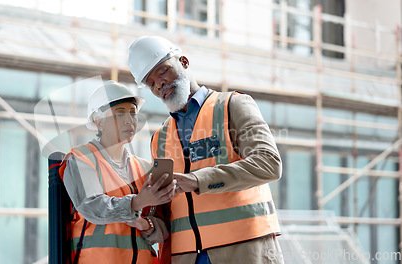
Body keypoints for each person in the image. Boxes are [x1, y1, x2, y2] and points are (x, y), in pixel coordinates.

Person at [128, 36, 284, 264]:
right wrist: (149, 224)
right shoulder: (159, 138)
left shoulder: (233, 106)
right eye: (151, 83)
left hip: (243, 249)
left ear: (184, 61)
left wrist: (196, 180)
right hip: (186, 256)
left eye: (162, 71)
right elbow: (168, 212)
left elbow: (269, 164)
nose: (159, 84)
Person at [59, 80, 176, 264]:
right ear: (98, 121)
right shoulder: (82, 158)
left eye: (132, 113)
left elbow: (164, 232)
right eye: (119, 114)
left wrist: (146, 225)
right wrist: (137, 202)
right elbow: (92, 206)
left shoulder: (144, 168)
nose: (129, 120)